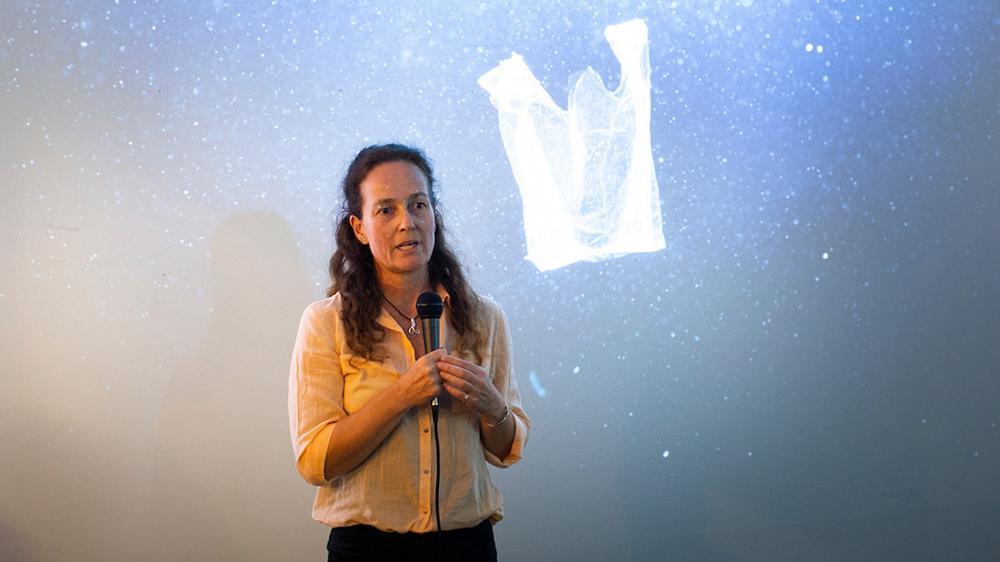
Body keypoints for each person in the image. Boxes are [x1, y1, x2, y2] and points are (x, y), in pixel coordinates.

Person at [288, 143, 529, 561]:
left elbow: (505, 450)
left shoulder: (484, 317)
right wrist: (401, 396)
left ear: (434, 215)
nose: (407, 223)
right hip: (368, 549)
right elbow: (315, 462)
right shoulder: (326, 322)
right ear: (359, 228)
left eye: (418, 205)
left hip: (466, 545)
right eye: (386, 210)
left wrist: (493, 408)